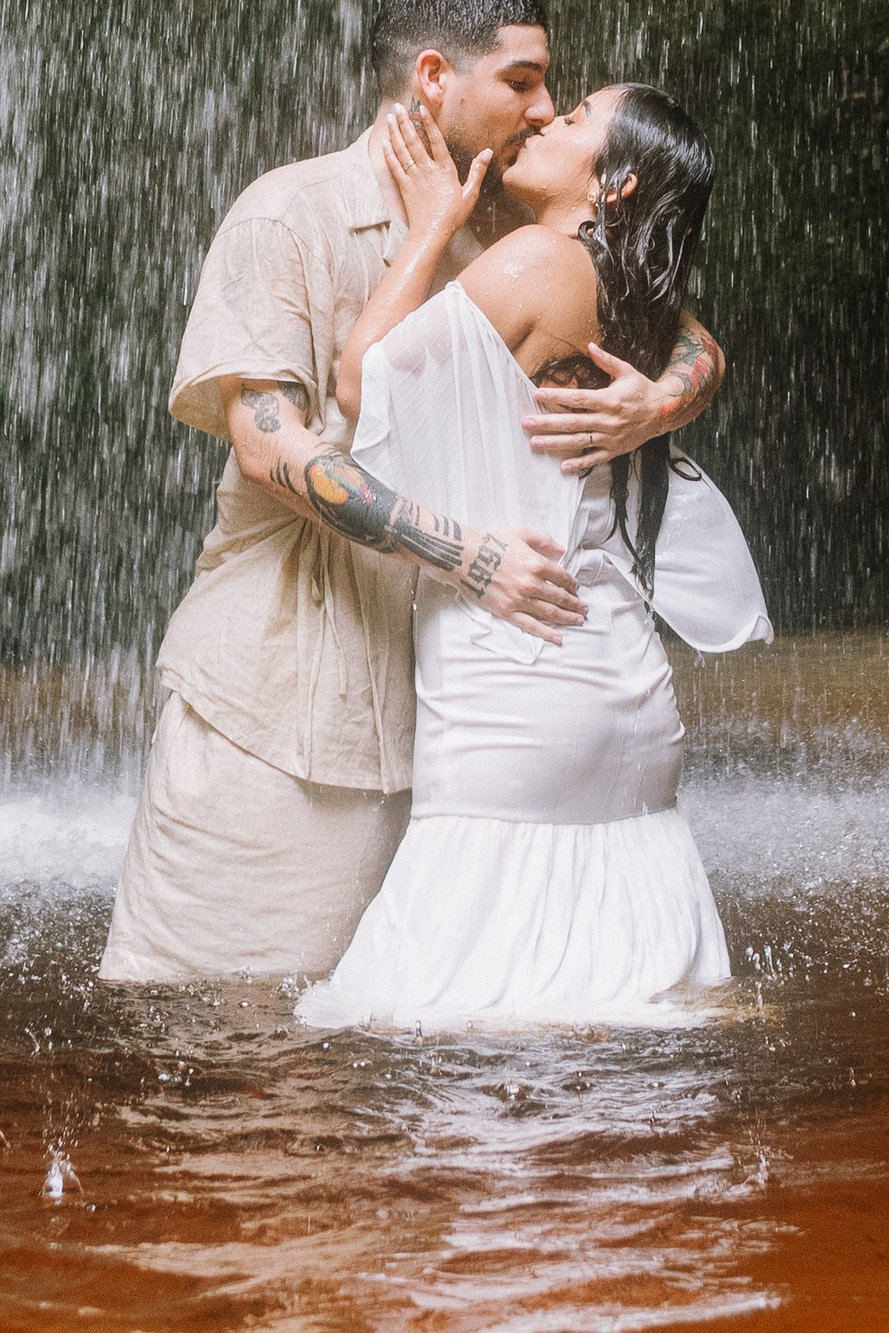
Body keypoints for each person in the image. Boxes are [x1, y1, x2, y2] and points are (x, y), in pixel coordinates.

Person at [97, 0, 727, 985]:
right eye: (522, 82)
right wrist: (469, 555)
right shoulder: (286, 215)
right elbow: (270, 446)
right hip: (293, 723)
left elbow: (667, 304)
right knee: (226, 1037)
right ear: (434, 78)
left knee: (412, 1049)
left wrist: (666, 396)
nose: (545, 108)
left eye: (554, 92)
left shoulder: (514, 228)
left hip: (463, 724)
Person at [292, 79, 769, 1032]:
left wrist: (433, 222)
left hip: (519, 663)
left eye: (579, 117)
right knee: (615, 1011)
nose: (550, 117)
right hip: (621, 677)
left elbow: (358, 386)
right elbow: (703, 346)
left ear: (616, 185)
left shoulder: (537, 261)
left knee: (454, 1022)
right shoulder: (640, 291)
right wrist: (670, 396)